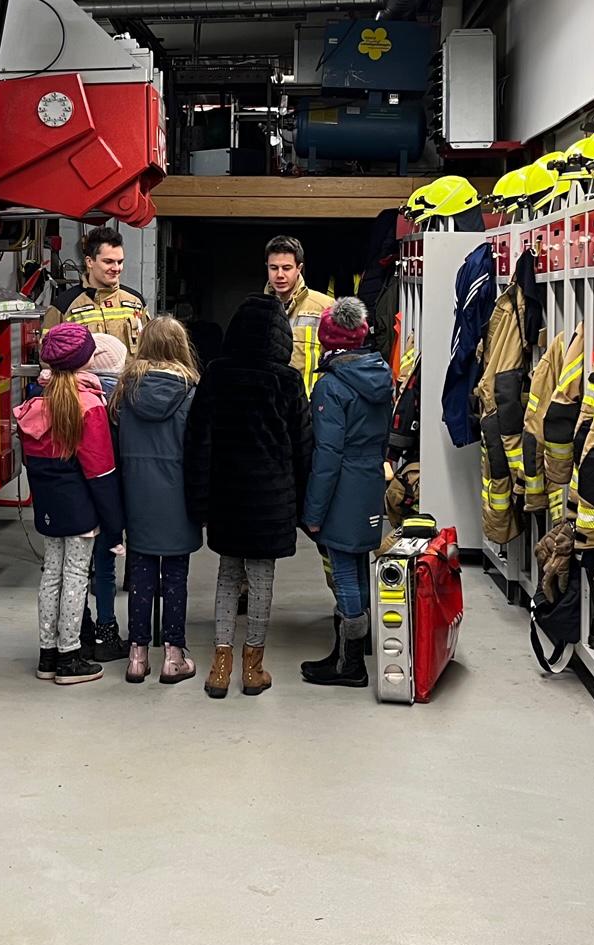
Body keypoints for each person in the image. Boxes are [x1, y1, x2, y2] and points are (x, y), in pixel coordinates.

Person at [185, 294, 312, 698]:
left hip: (227, 494)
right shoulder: (288, 380)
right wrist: (304, 503)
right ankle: (252, 668)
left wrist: (198, 501)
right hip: (270, 499)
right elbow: (303, 446)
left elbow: (198, 441)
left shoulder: (217, 374)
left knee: (226, 577)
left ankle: (219, 667)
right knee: (261, 581)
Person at [16, 324, 125, 686]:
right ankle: (69, 657)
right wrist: (114, 523)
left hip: (47, 507)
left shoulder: (35, 406)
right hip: (81, 509)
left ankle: (47, 655)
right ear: (84, 362)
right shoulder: (89, 406)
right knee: (77, 577)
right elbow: (101, 472)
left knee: (51, 574)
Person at [297, 297, 393, 689]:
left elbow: (327, 455)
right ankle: (349, 652)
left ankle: (350, 664)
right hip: (370, 480)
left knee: (343, 571)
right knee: (358, 566)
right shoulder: (381, 374)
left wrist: (313, 511)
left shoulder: (331, 387)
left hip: (342, 488)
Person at [112, 316, 201, 684]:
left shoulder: (125, 390)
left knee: (142, 573)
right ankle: (173, 655)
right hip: (178, 493)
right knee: (175, 575)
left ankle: (137, 655)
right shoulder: (192, 392)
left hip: (137, 492)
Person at [80, 330, 129, 659]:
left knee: (76, 568)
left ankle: (78, 631)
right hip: (110, 497)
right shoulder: (122, 405)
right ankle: (107, 630)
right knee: (106, 565)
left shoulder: (72, 396)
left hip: (76, 500)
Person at [45, 225, 148, 348]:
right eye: (108, 262)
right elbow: (47, 355)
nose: (116, 268)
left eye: (120, 262)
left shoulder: (136, 302)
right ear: (89, 262)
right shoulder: (63, 306)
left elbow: (150, 351)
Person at [264, 234, 335, 396]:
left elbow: (337, 362)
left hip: (311, 407)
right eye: (273, 268)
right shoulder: (257, 309)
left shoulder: (324, 307)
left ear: (299, 268)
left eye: (287, 268)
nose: (280, 275)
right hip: (269, 407)